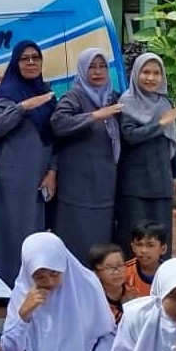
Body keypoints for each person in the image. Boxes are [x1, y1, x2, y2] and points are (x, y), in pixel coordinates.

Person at [0, 232, 133, 351]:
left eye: (55, 274)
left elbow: (107, 332)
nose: (49, 282)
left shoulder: (87, 285)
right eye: (40, 277)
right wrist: (23, 315)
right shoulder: (23, 291)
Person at [0, 40, 56, 286]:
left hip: (38, 182)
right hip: (10, 183)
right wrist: (22, 107)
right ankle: (6, 288)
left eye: (35, 58)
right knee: (9, 236)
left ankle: (30, 287)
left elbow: (55, 137)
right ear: (16, 63)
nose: (30, 63)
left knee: (33, 236)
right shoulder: (8, 93)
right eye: (24, 59)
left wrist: (52, 171)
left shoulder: (46, 94)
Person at [50, 48, 123, 263]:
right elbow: (58, 123)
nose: (98, 72)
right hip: (78, 189)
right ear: (82, 70)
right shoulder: (75, 96)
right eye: (91, 67)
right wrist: (94, 116)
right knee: (76, 245)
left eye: (102, 66)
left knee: (101, 246)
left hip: (105, 186)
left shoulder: (113, 98)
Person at [115, 53, 176, 258]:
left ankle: (160, 274)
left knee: (160, 237)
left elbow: (172, 140)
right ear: (136, 73)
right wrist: (160, 123)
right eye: (145, 72)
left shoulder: (164, 103)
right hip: (134, 185)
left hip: (161, 181)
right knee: (133, 237)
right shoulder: (127, 102)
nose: (151, 78)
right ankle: (131, 276)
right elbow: (130, 136)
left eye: (156, 73)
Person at [87, 243, 138, 324]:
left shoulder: (134, 293)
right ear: (96, 273)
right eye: (109, 267)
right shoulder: (93, 299)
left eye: (120, 265)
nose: (116, 272)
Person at [125, 221, 168, 298]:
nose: (144, 250)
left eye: (150, 245)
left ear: (163, 249)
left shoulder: (169, 273)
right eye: (139, 245)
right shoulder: (125, 272)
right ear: (133, 247)